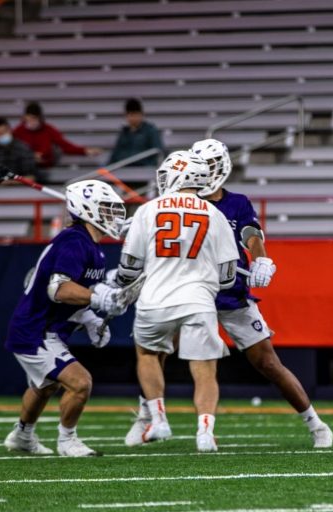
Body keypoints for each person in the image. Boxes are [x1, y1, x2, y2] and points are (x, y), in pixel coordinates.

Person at [124, 139, 333, 450]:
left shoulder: (235, 203)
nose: (202, 173)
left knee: (268, 362)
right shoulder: (172, 201)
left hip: (229, 294)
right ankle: (148, 419)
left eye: (208, 167)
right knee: (159, 352)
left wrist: (260, 258)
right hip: (192, 292)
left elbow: (251, 235)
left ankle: (314, 422)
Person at [116, 150, 239, 452]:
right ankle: (205, 433)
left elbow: (129, 267)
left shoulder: (148, 210)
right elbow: (228, 276)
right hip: (198, 300)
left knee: (147, 354)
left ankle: (158, 419)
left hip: (155, 299)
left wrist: (128, 279)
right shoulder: (214, 213)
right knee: (205, 370)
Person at [3, 180, 131, 457]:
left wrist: (89, 319)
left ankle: (22, 436)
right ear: (88, 210)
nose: (114, 216)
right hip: (36, 330)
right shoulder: (74, 241)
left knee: (44, 386)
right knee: (80, 382)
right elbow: (59, 289)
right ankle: (68, 440)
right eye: (107, 210)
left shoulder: (90, 245)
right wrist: (98, 300)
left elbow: (72, 294)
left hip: (44, 328)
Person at [13, 102, 101, 169]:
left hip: (45, 167)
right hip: (24, 167)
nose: (31, 123)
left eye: (34, 119)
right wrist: (30, 157)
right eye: (28, 119)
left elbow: (65, 146)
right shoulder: (18, 131)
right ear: (24, 118)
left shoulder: (48, 130)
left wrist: (85, 151)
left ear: (40, 118)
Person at [108, 98, 165, 167]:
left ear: (141, 114)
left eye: (135, 114)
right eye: (130, 115)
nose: (133, 118)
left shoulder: (150, 131)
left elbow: (157, 152)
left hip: (145, 170)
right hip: (124, 170)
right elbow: (115, 155)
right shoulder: (124, 133)